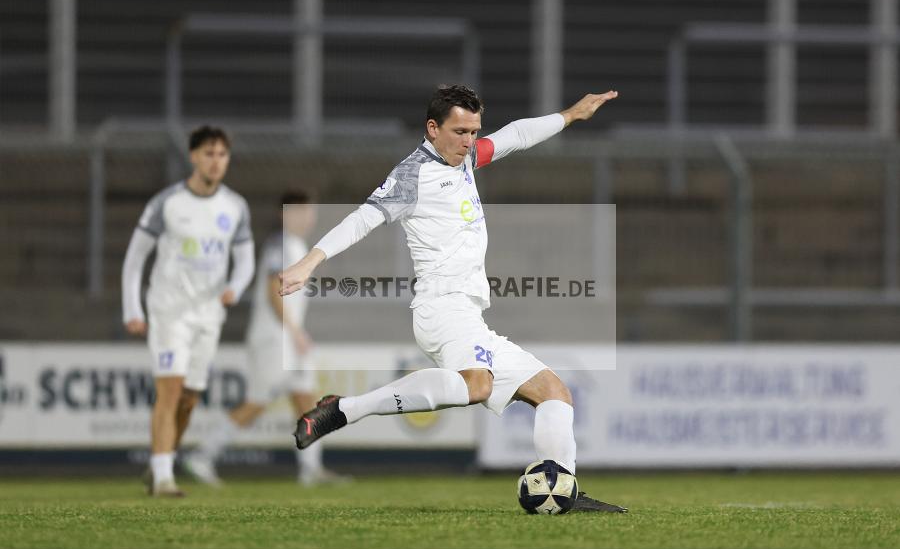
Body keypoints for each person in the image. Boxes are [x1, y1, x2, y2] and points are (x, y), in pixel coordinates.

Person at [280, 85, 626, 513]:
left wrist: (570, 116)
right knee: (476, 384)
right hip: (440, 307)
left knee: (554, 393)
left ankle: (565, 489)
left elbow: (516, 135)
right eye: (460, 131)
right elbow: (362, 219)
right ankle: (346, 409)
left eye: (474, 131)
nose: (469, 140)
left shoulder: (465, 160)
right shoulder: (413, 175)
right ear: (433, 128)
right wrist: (309, 262)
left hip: (469, 314)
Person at [183, 190, 349, 487]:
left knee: (305, 400)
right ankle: (202, 456)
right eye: (303, 211)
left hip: (287, 337)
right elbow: (274, 290)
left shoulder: (296, 246)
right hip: (274, 338)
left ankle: (310, 468)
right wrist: (295, 332)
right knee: (257, 403)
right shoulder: (282, 245)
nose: (309, 217)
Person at [122, 126, 255, 497]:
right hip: (169, 311)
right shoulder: (167, 203)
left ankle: (159, 462)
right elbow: (134, 260)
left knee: (190, 398)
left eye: (222, 155)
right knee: (170, 390)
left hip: (209, 314)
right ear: (193, 156)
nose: (216, 161)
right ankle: (164, 478)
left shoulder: (234, 206)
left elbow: (245, 260)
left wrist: (235, 288)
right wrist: (133, 308)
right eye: (209, 154)